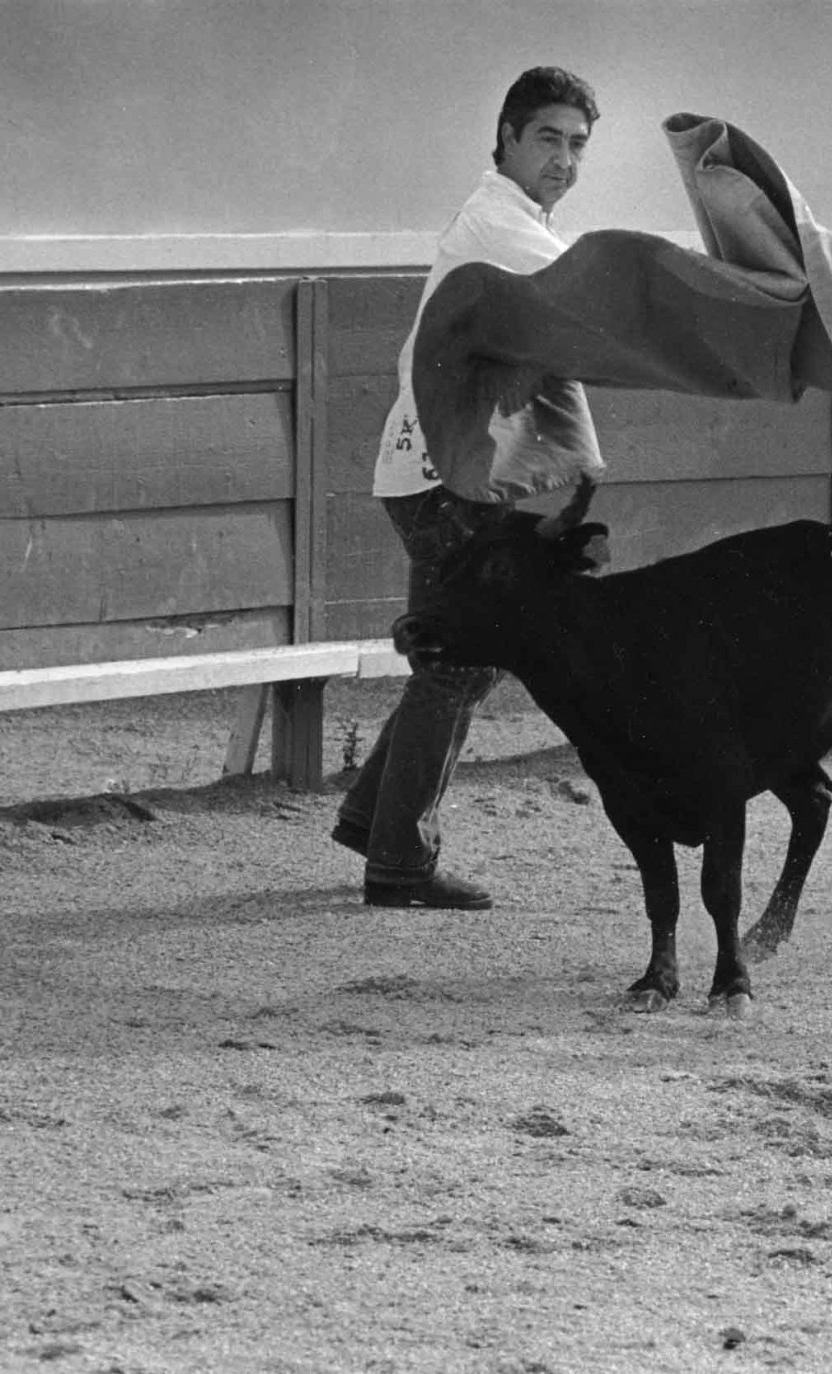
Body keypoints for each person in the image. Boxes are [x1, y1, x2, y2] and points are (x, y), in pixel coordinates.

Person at [331, 66, 601, 910]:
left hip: (432, 472)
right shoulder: (502, 226)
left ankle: (373, 820)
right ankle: (398, 865)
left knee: (459, 662)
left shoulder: (508, 220)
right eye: (549, 139)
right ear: (509, 138)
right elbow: (600, 312)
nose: (564, 160)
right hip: (441, 481)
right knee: (463, 664)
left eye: (579, 145)